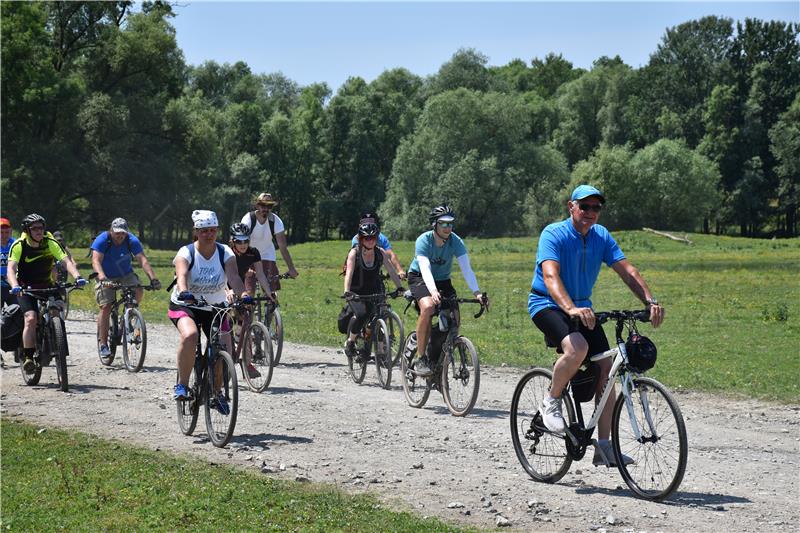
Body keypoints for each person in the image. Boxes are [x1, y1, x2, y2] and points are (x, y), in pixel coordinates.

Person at [529, 184, 665, 467]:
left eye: (596, 208)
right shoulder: (553, 234)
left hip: (583, 309)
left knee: (607, 366)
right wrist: (570, 309)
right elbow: (551, 276)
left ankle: (604, 447)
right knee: (577, 347)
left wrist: (650, 301)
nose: (591, 213)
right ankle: (551, 401)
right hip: (547, 305)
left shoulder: (601, 236)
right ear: (571, 207)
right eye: (585, 207)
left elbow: (628, 271)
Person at [169, 210, 250, 414]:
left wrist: (244, 295)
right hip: (186, 305)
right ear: (196, 231)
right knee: (190, 335)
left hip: (215, 307)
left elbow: (234, 277)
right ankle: (183, 385)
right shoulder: (186, 252)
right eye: (204, 231)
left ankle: (216, 393)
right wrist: (185, 291)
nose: (209, 234)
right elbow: (182, 275)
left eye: (212, 230)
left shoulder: (225, 252)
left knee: (225, 349)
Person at [406, 205, 489, 375]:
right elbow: (425, 267)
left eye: (450, 224)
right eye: (443, 224)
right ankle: (421, 357)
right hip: (420, 277)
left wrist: (477, 292)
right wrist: (433, 291)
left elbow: (467, 269)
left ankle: (432, 346)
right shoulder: (424, 240)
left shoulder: (456, 241)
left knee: (455, 322)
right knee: (429, 307)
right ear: (435, 225)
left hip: (443, 281)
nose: (448, 228)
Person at [7, 214, 87, 372]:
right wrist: (15, 285)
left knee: (56, 312)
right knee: (30, 318)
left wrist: (77, 276)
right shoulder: (19, 245)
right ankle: (28, 356)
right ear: (27, 230)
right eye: (34, 228)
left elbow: (65, 261)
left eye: (41, 228)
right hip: (25, 288)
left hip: (47, 285)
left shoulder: (50, 243)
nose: (39, 231)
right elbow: (11, 269)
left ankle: (57, 346)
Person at [91, 218, 161, 360]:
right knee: (106, 307)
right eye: (117, 233)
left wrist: (153, 279)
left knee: (138, 290)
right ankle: (103, 344)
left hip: (125, 274)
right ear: (111, 231)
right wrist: (103, 279)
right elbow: (96, 261)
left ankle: (129, 315)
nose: (120, 236)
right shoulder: (102, 240)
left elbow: (143, 260)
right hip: (105, 275)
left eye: (123, 233)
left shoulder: (131, 240)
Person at [342, 220, 404, 358]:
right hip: (356, 291)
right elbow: (349, 273)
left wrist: (400, 287)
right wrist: (347, 291)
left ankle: (367, 346)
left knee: (375, 317)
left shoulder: (380, 252)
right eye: (367, 238)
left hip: (373, 290)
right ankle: (351, 342)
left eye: (373, 238)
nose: (370, 241)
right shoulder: (354, 253)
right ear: (361, 239)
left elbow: (391, 271)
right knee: (362, 314)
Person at [227, 222, 274, 378]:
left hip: (239, 289)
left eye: (246, 240)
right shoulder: (226, 253)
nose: (243, 244)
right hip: (223, 288)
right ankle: (221, 356)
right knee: (225, 325)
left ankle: (247, 363)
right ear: (232, 240)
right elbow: (222, 276)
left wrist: (269, 293)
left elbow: (260, 274)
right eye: (239, 241)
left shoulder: (253, 253)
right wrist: (228, 291)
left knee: (246, 323)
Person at [240, 193, 298, 297]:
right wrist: (243, 265)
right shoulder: (248, 219)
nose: (265, 209)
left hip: (267, 255)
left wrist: (291, 268)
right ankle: (248, 311)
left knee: (270, 292)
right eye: (263, 205)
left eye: (269, 206)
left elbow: (282, 247)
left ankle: (270, 311)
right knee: (248, 294)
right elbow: (241, 243)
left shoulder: (276, 221)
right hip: (249, 255)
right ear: (257, 206)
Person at [349, 212, 406, 279]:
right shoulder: (356, 239)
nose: (368, 224)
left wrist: (400, 270)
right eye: (365, 222)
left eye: (371, 221)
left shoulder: (382, 238)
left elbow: (390, 254)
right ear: (360, 225)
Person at [1, 217, 16, 308]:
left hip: (12, 283)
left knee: (17, 312)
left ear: (10, 232)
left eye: (6, 232)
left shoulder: (15, 244)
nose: (4, 235)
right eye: (1, 232)